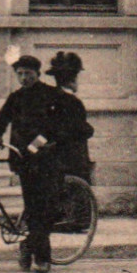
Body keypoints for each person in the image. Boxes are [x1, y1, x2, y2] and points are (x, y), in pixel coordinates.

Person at [0, 54, 66, 273]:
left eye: (28, 74)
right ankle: (38, 254)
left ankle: (32, 249)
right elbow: (1, 120)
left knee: (45, 208)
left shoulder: (52, 96)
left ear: (37, 74)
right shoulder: (15, 98)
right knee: (35, 208)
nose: (24, 78)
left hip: (46, 159)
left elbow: (57, 127)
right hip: (23, 160)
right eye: (20, 74)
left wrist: (41, 145)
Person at [47, 52, 95, 183]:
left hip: (52, 163)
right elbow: (81, 130)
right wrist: (90, 129)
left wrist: (31, 150)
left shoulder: (48, 99)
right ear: (73, 79)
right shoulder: (74, 102)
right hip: (73, 162)